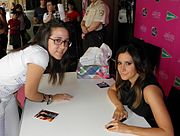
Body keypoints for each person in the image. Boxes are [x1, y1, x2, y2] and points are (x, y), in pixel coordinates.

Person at [0, 20, 73, 136]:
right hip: (3, 96)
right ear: (45, 37)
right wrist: (51, 98)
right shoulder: (40, 55)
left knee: (14, 131)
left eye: (66, 42)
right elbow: (30, 94)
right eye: (57, 41)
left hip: (7, 96)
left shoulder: (36, 49)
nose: (63, 46)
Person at [105, 44, 174, 136]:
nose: (122, 69)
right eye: (119, 63)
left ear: (139, 64)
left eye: (128, 63)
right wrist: (119, 106)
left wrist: (127, 128)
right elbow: (111, 90)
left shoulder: (150, 90)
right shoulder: (127, 78)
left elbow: (168, 133)